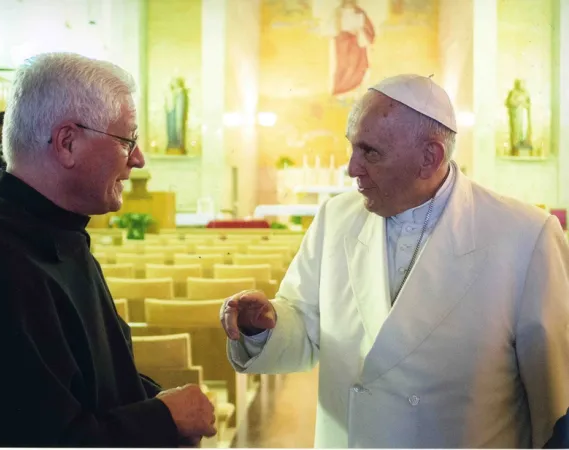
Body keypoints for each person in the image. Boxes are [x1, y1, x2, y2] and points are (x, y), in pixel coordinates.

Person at [221, 74, 569, 447]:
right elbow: (305, 323)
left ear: (429, 157)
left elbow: (554, 401)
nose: (351, 168)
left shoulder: (525, 236)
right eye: (352, 147)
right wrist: (266, 325)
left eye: (370, 152)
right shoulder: (336, 217)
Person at [0, 52, 216, 447]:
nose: (138, 160)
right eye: (128, 140)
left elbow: (85, 380)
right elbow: (36, 439)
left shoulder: (53, 235)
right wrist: (164, 419)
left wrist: (157, 403)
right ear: (67, 143)